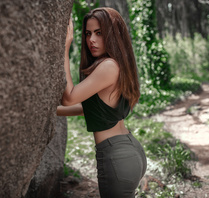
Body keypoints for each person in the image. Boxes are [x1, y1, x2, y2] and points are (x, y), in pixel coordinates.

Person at [57, 7, 147, 198]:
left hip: (116, 157)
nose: (92, 40)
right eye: (88, 34)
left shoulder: (107, 66)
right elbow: (91, 108)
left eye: (99, 33)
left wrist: (64, 48)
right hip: (128, 150)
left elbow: (69, 97)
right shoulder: (116, 64)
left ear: (113, 34)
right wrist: (54, 111)